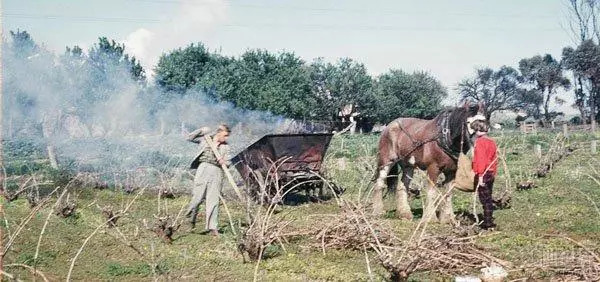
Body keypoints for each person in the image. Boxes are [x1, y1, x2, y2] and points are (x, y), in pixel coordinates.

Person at [185, 124, 231, 236]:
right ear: (218, 132)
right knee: (197, 197)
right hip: (203, 168)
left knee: (213, 199)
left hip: (217, 171)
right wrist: (201, 130)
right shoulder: (205, 139)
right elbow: (189, 138)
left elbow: (228, 162)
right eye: (225, 135)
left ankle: (212, 227)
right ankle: (190, 220)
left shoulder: (226, 147)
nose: (226, 138)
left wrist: (223, 162)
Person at [471, 118, 498, 230]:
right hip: (490, 173)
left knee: (485, 199)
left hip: (484, 173)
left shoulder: (480, 142)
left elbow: (481, 160)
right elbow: (495, 159)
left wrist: (480, 176)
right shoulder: (491, 141)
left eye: (474, 130)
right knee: (488, 197)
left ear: (477, 130)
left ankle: (488, 223)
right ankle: (489, 220)